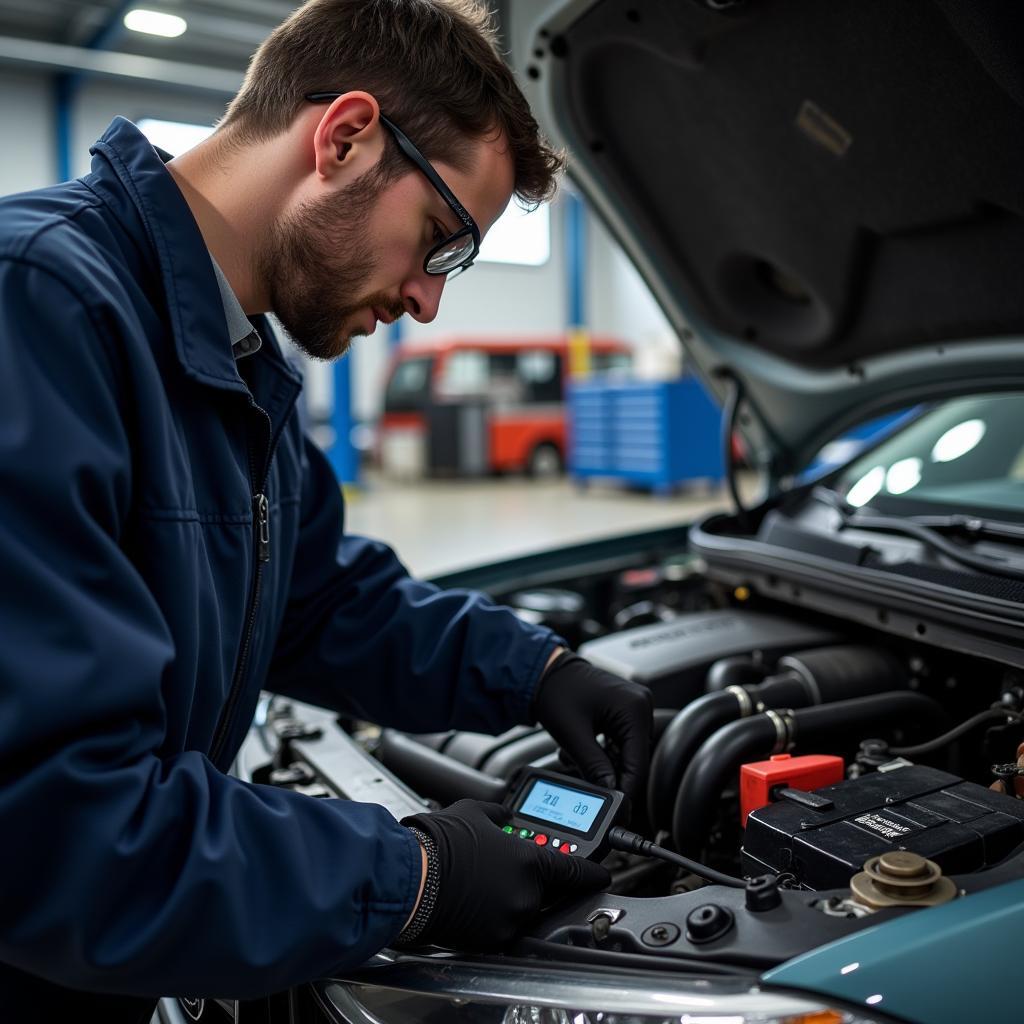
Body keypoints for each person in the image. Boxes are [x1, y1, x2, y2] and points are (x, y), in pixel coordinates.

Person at [0, 0, 653, 1019]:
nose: (430, 301)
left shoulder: (233, 358)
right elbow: (57, 825)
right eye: (440, 241)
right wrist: (418, 874)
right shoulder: (39, 308)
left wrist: (536, 671)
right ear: (343, 138)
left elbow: (315, 600)